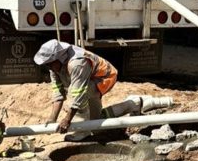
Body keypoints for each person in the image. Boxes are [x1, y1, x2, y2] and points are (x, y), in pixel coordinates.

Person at [33, 39, 172, 141]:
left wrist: (67, 120)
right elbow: (58, 93)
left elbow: (78, 94)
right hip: (90, 81)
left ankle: (82, 129)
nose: (48, 67)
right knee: (97, 121)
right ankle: (134, 103)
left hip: (105, 77)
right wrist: (52, 119)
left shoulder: (77, 63)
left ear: (58, 58)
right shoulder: (54, 66)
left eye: (49, 64)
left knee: (76, 92)